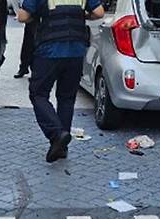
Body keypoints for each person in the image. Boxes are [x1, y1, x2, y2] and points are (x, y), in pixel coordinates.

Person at [18, 0, 104, 163]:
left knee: (38, 94)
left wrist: (37, 17)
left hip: (49, 51)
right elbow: (99, 12)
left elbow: (22, 16)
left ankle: (57, 134)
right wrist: (81, 16)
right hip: (76, 51)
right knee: (66, 98)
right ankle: (61, 148)